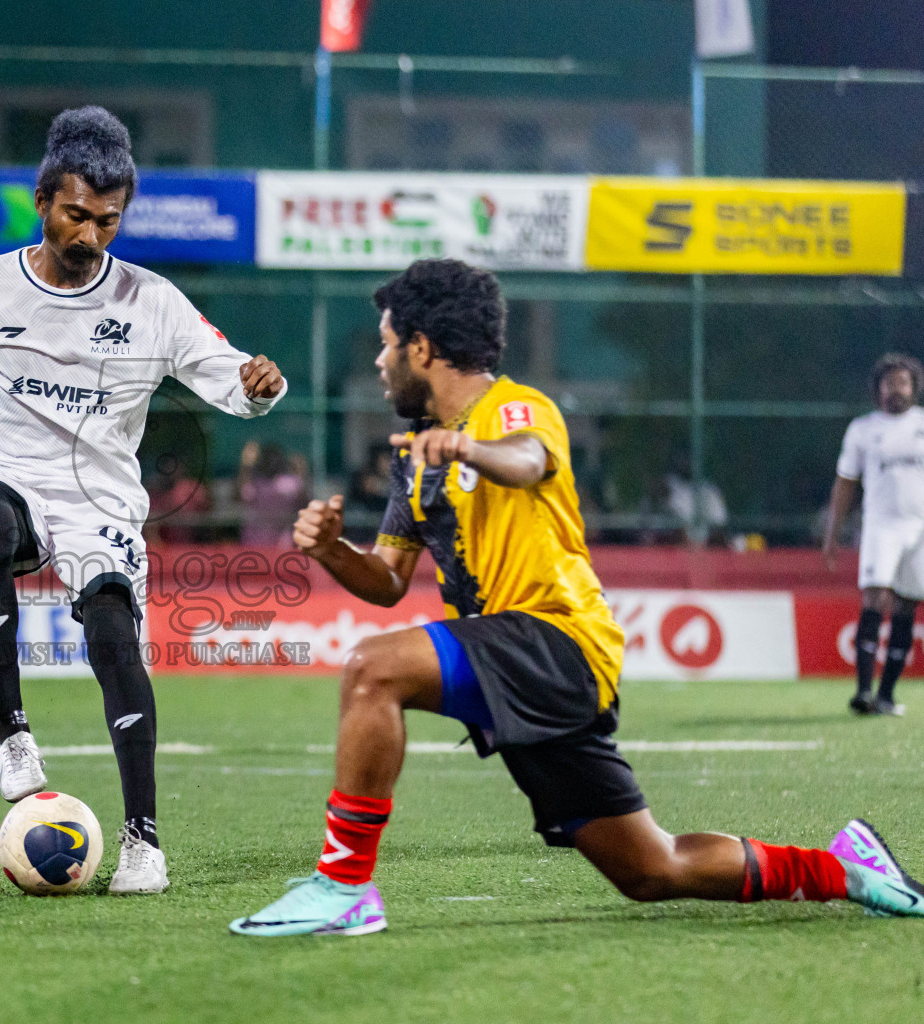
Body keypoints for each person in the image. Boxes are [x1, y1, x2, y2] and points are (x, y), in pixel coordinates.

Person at [230, 259, 923, 936]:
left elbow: (528, 459)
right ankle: (848, 871)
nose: (380, 364)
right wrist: (330, 551)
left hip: (557, 641)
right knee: (652, 869)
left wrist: (469, 451)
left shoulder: (514, 408)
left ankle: (344, 886)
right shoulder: (419, 455)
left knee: (371, 668)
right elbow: (385, 580)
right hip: (517, 667)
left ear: (422, 347)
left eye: (386, 347)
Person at [0, 107, 286, 895]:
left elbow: (224, 374)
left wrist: (260, 388)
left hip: (100, 502)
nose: (90, 234)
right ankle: (14, 735)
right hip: (8, 474)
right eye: (77, 215)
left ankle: (143, 843)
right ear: (45, 200)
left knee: (114, 632)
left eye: (108, 221)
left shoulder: (150, 300)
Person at [823, 352, 924, 717]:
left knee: (907, 603)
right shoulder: (863, 429)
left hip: (920, 529)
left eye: (903, 383)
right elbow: (845, 483)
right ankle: (863, 692)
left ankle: (886, 695)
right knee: (875, 597)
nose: (896, 389)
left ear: (914, 388)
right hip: (881, 526)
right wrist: (832, 534)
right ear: (877, 389)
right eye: (889, 383)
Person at [236, 441, 308, 548]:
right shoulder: (289, 484)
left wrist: (246, 464)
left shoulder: (259, 484)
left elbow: (240, 494)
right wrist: (300, 470)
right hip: (264, 543)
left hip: (268, 543)